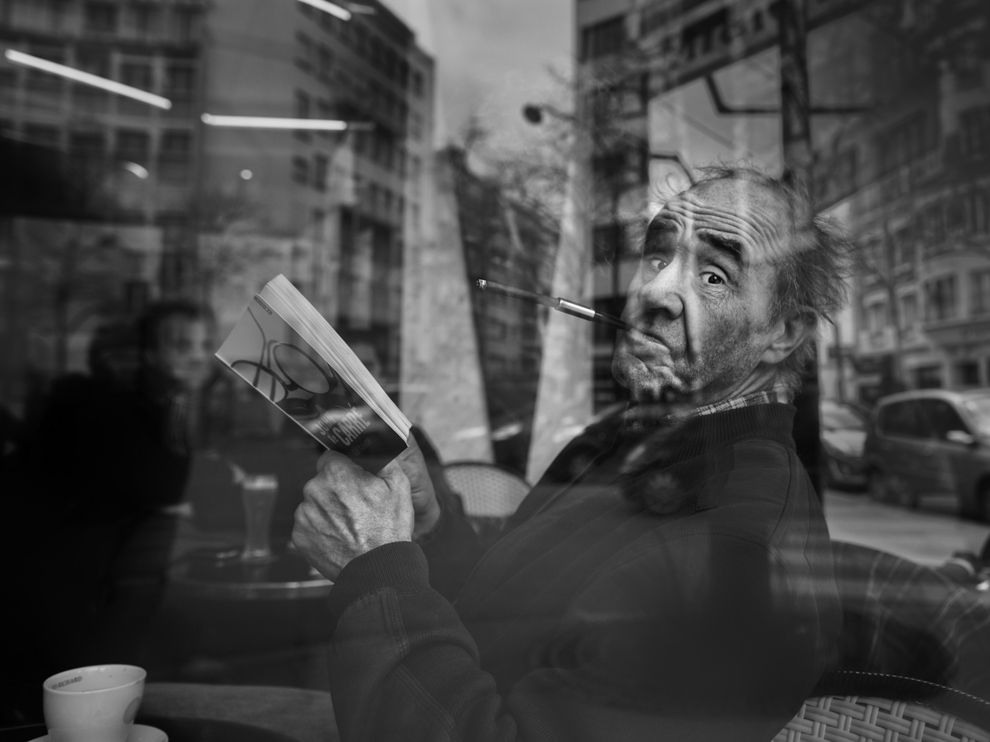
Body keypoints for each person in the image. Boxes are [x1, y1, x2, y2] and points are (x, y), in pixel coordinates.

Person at [290, 166, 851, 741]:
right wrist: (427, 531)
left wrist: (376, 576)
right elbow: (512, 618)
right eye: (658, 257)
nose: (655, 291)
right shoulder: (625, 441)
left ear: (783, 332)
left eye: (714, 276)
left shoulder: (736, 557)